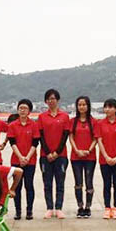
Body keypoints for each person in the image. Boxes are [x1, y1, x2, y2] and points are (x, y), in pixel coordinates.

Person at [38, 88, 71, 219]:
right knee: (47, 183)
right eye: (48, 99)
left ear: (57, 100)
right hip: (45, 156)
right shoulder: (42, 117)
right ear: (46, 101)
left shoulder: (64, 116)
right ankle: (49, 208)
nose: (51, 101)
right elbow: (40, 136)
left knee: (60, 183)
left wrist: (57, 152)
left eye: (53, 98)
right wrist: (48, 153)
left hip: (61, 156)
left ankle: (58, 208)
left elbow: (65, 135)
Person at [7, 99, 40, 219]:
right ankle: (18, 211)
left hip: (30, 161)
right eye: (20, 108)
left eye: (25, 108)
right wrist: (20, 157)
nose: (22, 110)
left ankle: (29, 211)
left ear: (29, 111)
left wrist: (27, 157)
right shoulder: (12, 125)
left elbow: (35, 143)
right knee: (17, 186)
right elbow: (12, 142)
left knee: (29, 185)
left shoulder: (34, 125)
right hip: (16, 161)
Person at [96, 99, 116, 219]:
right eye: (106, 107)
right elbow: (99, 141)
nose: (107, 109)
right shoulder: (100, 123)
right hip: (105, 160)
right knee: (107, 184)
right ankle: (107, 208)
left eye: (110, 107)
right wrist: (106, 156)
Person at [69, 96, 97, 219]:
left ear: (88, 106)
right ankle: (80, 207)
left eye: (84, 104)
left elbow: (96, 138)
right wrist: (77, 150)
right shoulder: (73, 121)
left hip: (90, 157)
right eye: (79, 105)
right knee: (78, 182)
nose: (82, 107)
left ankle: (88, 207)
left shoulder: (93, 121)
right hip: (76, 157)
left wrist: (88, 150)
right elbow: (71, 137)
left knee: (89, 182)